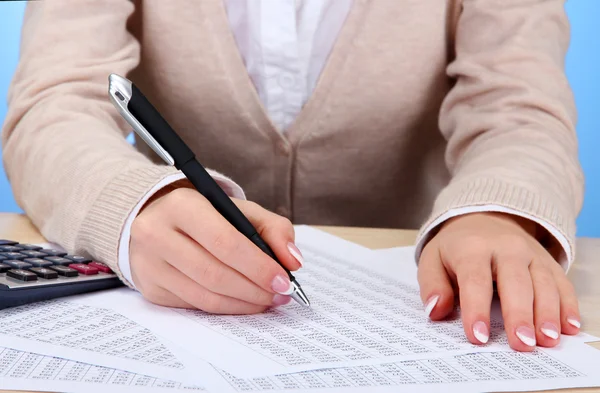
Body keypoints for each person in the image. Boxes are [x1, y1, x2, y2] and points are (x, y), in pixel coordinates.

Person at [1, 0, 583, 353]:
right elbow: (54, 102)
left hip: (411, 290)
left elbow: (519, 109)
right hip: (169, 290)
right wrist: (133, 204)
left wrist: (498, 210)